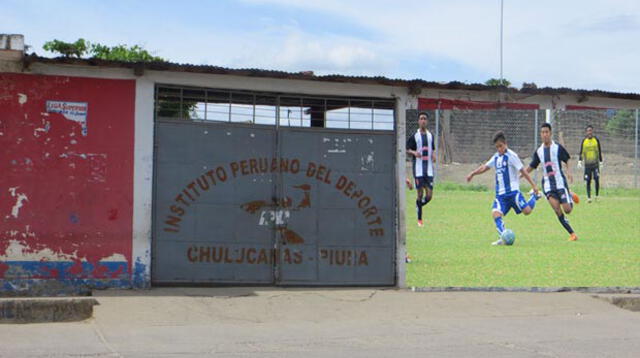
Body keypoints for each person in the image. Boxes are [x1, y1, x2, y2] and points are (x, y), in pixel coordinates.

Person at [466, 131, 541, 245]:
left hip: (513, 193)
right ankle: (503, 237)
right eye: (497, 147)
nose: (499, 149)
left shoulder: (512, 156)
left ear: (505, 144)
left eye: (501, 146)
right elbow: (485, 167)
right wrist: (473, 173)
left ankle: (534, 197)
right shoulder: (496, 157)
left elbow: (523, 171)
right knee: (495, 213)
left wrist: (534, 185)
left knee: (527, 211)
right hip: (500, 195)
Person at [524, 123, 581, 241]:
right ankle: (572, 234)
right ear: (541, 134)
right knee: (557, 209)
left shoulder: (557, 148)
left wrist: (569, 172)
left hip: (560, 183)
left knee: (567, 210)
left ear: (550, 133)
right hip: (548, 186)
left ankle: (569, 194)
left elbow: (567, 159)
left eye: (546, 132)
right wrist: (520, 174)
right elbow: (532, 166)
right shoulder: (539, 151)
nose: (544, 134)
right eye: (542, 132)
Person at [406, 111, 436, 228]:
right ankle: (419, 220)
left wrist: (433, 155)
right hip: (418, 169)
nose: (423, 121)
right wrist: (414, 152)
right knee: (420, 194)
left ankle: (418, 205)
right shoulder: (415, 136)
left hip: (428, 169)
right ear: (418, 121)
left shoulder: (430, 136)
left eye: (425, 119)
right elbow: (407, 149)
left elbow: (432, 148)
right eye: (421, 119)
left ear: (427, 121)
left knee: (429, 196)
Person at [577, 125, 603, 203]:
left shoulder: (596, 140)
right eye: (588, 131)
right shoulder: (584, 141)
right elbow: (581, 151)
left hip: (595, 164)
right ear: (586, 132)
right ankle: (589, 198)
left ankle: (597, 196)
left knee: (597, 179)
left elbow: (599, 151)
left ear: (592, 131)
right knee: (588, 181)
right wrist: (579, 161)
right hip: (587, 165)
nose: (589, 132)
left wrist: (601, 162)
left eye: (591, 130)